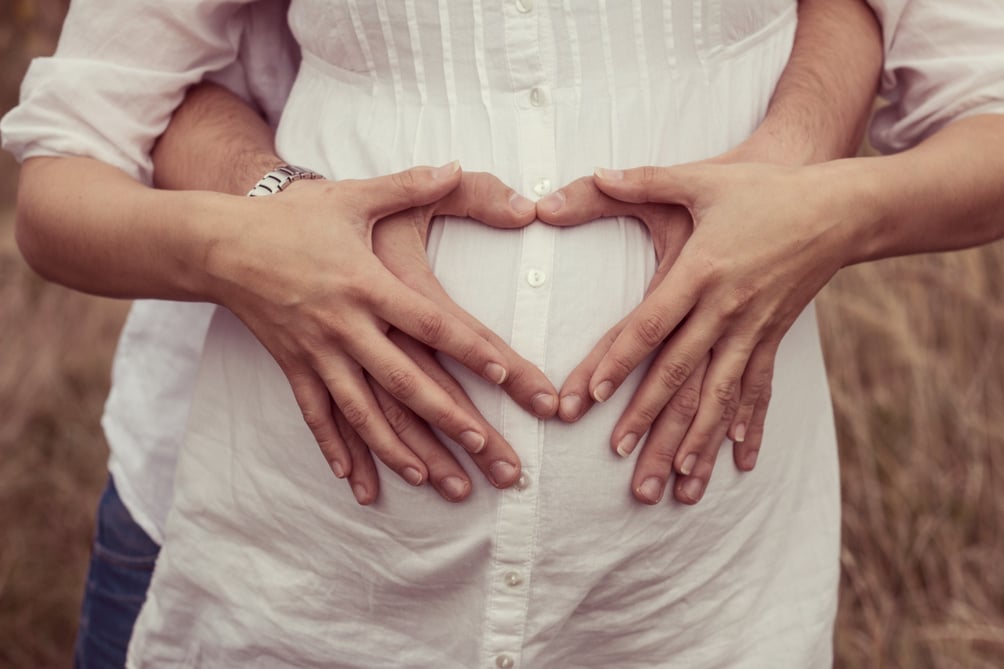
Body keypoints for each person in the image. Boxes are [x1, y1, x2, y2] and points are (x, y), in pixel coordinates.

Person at [1, 1, 1001, 667]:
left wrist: (826, 208)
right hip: (308, 584)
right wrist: (259, 230)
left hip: (688, 598)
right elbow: (84, 146)